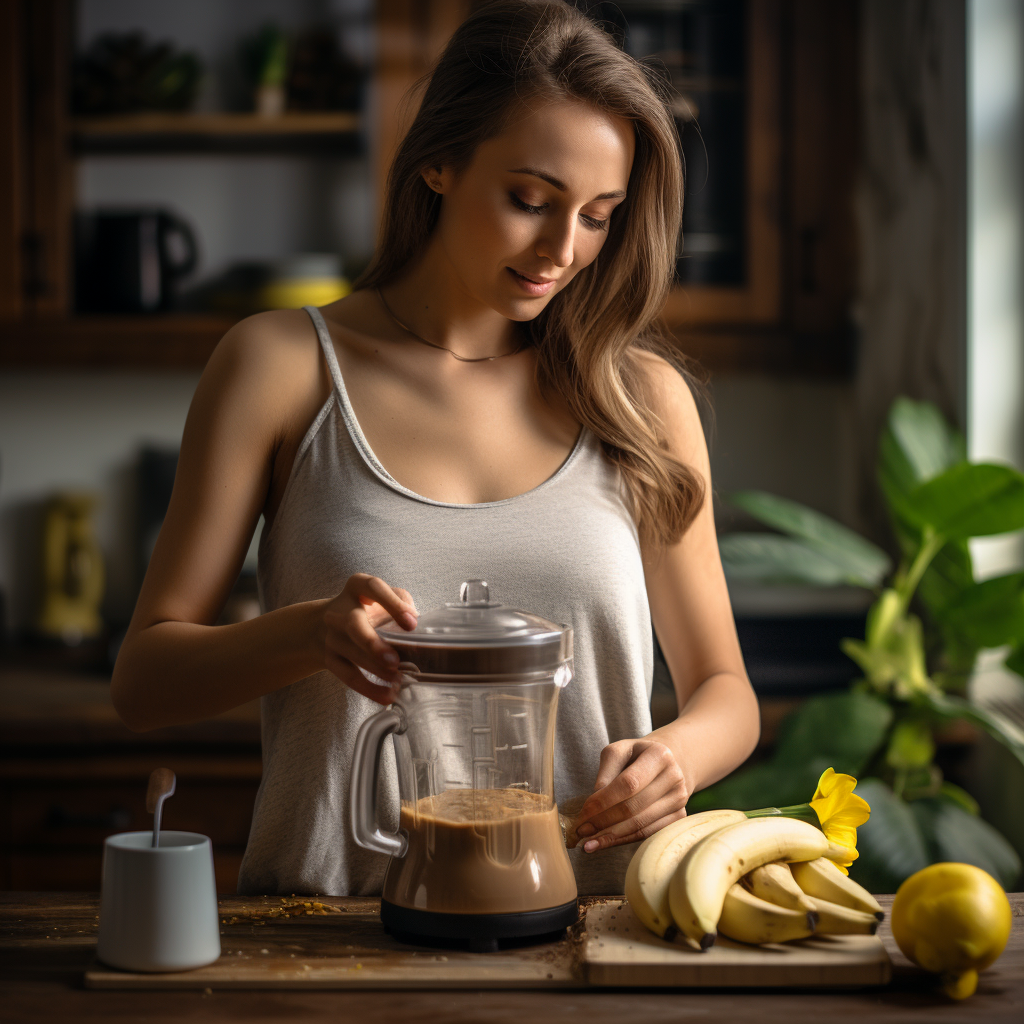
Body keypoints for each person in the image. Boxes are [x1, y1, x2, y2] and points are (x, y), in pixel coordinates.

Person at [111, 0, 760, 896]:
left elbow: (725, 688)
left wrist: (676, 760)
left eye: (599, 216)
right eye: (530, 200)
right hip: (330, 943)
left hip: (592, 936)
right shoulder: (281, 367)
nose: (562, 251)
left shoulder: (642, 400)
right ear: (439, 165)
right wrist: (310, 634)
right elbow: (144, 682)